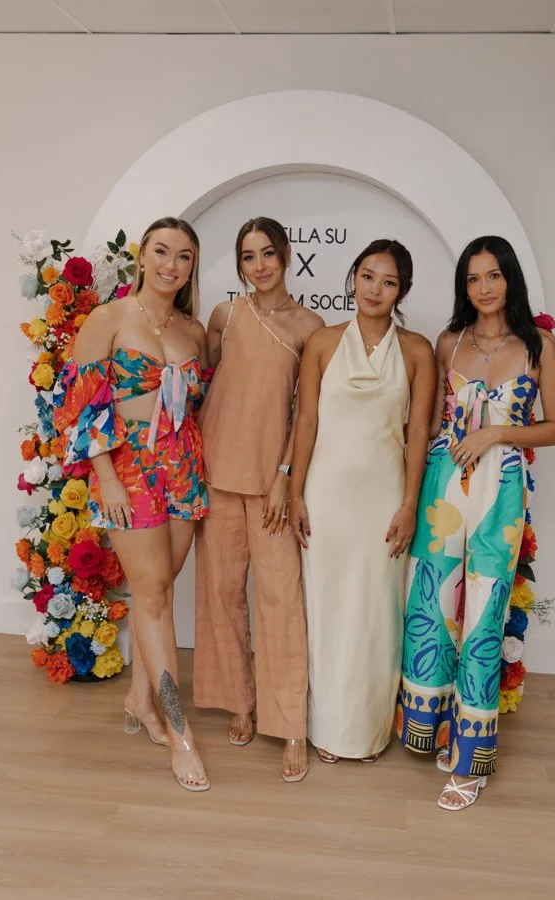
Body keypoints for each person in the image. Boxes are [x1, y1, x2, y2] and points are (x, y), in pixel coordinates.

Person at [397, 235, 555, 810]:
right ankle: (434, 725)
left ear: (510, 279)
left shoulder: (540, 344)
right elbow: (430, 422)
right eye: (473, 279)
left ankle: (471, 760)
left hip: (502, 487)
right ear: (463, 287)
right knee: (432, 605)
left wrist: (497, 432)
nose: (484, 288)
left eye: (493, 276)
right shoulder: (450, 342)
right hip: (445, 483)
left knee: (486, 611)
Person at [53, 216, 211, 792]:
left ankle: (139, 698)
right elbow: (75, 401)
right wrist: (107, 478)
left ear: (194, 266)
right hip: (129, 470)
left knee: (160, 590)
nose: (172, 265)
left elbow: (195, 404)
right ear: (142, 257)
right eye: (162, 252)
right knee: (153, 595)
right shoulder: (110, 319)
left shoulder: (194, 331)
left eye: (185, 256)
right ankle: (180, 731)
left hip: (184, 467)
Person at [289, 239, 435, 763]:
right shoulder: (323, 342)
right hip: (326, 495)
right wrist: (295, 490)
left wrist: (409, 504)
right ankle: (326, 727)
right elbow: (305, 422)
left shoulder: (418, 350)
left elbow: (419, 432)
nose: (375, 289)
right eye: (368, 276)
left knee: (377, 611)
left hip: (384, 497)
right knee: (326, 608)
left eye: (389, 282)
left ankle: (369, 730)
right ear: (353, 278)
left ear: (403, 291)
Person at [193, 216, 323, 782]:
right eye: (248, 256)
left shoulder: (309, 327)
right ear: (240, 264)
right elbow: (208, 386)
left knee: (279, 601)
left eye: (268, 253)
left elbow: (304, 412)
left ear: (287, 255)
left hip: (271, 481)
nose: (260, 265)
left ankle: (290, 722)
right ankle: (241, 701)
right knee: (221, 595)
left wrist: (285, 476)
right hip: (216, 471)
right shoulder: (225, 316)